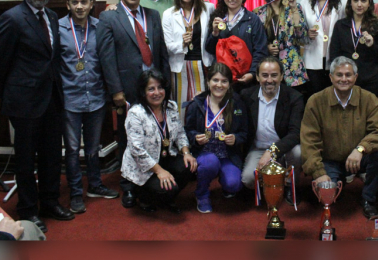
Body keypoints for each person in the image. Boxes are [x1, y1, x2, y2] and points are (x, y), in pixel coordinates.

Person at [0, 0, 73, 233]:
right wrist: (9, 100)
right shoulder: (12, 18)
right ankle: (27, 209)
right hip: (24, 103)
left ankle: (49, 202)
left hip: (51, 100)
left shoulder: (50, 16)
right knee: (26, 160)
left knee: (51, 156)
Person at [96, 0, 170, 209]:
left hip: (155, 88)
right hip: (127, 90)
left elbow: (161, 54)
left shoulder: (152, 15)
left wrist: (165, 85)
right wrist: (115, 91)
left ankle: (152, 182)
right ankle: (128, 186)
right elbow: (106, 58)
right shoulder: (109, 18)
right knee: (129, 139)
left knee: (156, 135)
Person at [301, 56, 378, 218]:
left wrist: (361, 149)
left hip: (359, 158)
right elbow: (309, 142)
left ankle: (368, 198)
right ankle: (335, 182)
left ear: (355, 78)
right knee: (328, 196)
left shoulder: (369, 99)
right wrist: (319, 173)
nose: (344, 79)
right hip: (330, 160)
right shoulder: (315, 101)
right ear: (330, 77)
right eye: (339, 75)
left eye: (348, 75)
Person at [59, 0, 119, 215]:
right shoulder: (58, 29)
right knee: (73, 149)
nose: (80, 6)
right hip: (69, 100)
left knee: (94, 148)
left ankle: (95, 185)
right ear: (68, 4)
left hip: (95, 97)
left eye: (84, 1)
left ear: (92, 3)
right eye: (75, 2)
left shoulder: (101, 26)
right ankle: (76, 193)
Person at [121, 69, 197, 213]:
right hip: (144, 166)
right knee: (168, 188)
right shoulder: (135, 113)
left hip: (165, 156)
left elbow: (180, 133)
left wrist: (186, 152)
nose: (157, 92)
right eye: (151, 89)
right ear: (143, 92)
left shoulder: (170, 107)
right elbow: (137, 150)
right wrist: (160, 171)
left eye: (160, 87)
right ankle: (144, 197)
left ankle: (166, 198)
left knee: (189, 166)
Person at [184, 62, 248, 213]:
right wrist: (195, 138)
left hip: (227, 154)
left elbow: (245, 133)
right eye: (215, 80)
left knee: (234, 184)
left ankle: (226, 182)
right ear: (208, 82)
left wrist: (236, 139)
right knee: (210, 163)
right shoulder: (197, 104)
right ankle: (202, 194)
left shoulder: (237, 103)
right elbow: (187, 131)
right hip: (205, 153)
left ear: (229, 84)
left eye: (224, 81)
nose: (219, 85)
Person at [240, 56, 304, 204]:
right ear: (257, 77)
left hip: (285, 149)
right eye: (265, 75)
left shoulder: (294, 98)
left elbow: (295, 134)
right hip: (258, 149)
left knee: (299, 152)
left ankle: (290, 186)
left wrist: (272, 151)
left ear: (282, 76)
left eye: (274, 75)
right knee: (248, 179)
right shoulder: (246, 96)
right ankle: (270, 186)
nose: (269, 80)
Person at [162, 0, 215, 117]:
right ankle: (181, 137)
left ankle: (202, 135)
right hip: (180, 66)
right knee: (180, 107)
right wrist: (182, 43)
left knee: (203, 103)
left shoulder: (207, 8)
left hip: (202, 65)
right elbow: (167, 46)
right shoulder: (168, 14)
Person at [205, 0, 268, 91]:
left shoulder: (253, 20)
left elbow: (260, 49)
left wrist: (253, 73)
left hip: (245, 79)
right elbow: (209, 50)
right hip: (222, 79)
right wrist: (214, 33)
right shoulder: (217, 18)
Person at [253, 0, 309, 94]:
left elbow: (302, 37)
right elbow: (254, 41)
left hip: (292, 67)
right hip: (267, 67)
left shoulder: (295, 7)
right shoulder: (258, 12)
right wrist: (266, 47)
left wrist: (294, 9)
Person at [329, 0, 378, 99]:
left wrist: (372, 46)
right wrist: (341, 76)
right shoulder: (341, 25)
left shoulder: (377, 24)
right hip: (346, 81)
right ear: (350, 3)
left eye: (363, 1)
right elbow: (334, 55)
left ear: (369, 3)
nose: (359, 4)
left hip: (372, 80)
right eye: (356, 0)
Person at [300, 0, 346, 97]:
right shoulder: (304, 4)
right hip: (312, 60)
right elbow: (299, 35)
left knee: (334, 98)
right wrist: (306, 34)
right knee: (316, 99)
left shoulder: (342, 3)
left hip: (334, 59)